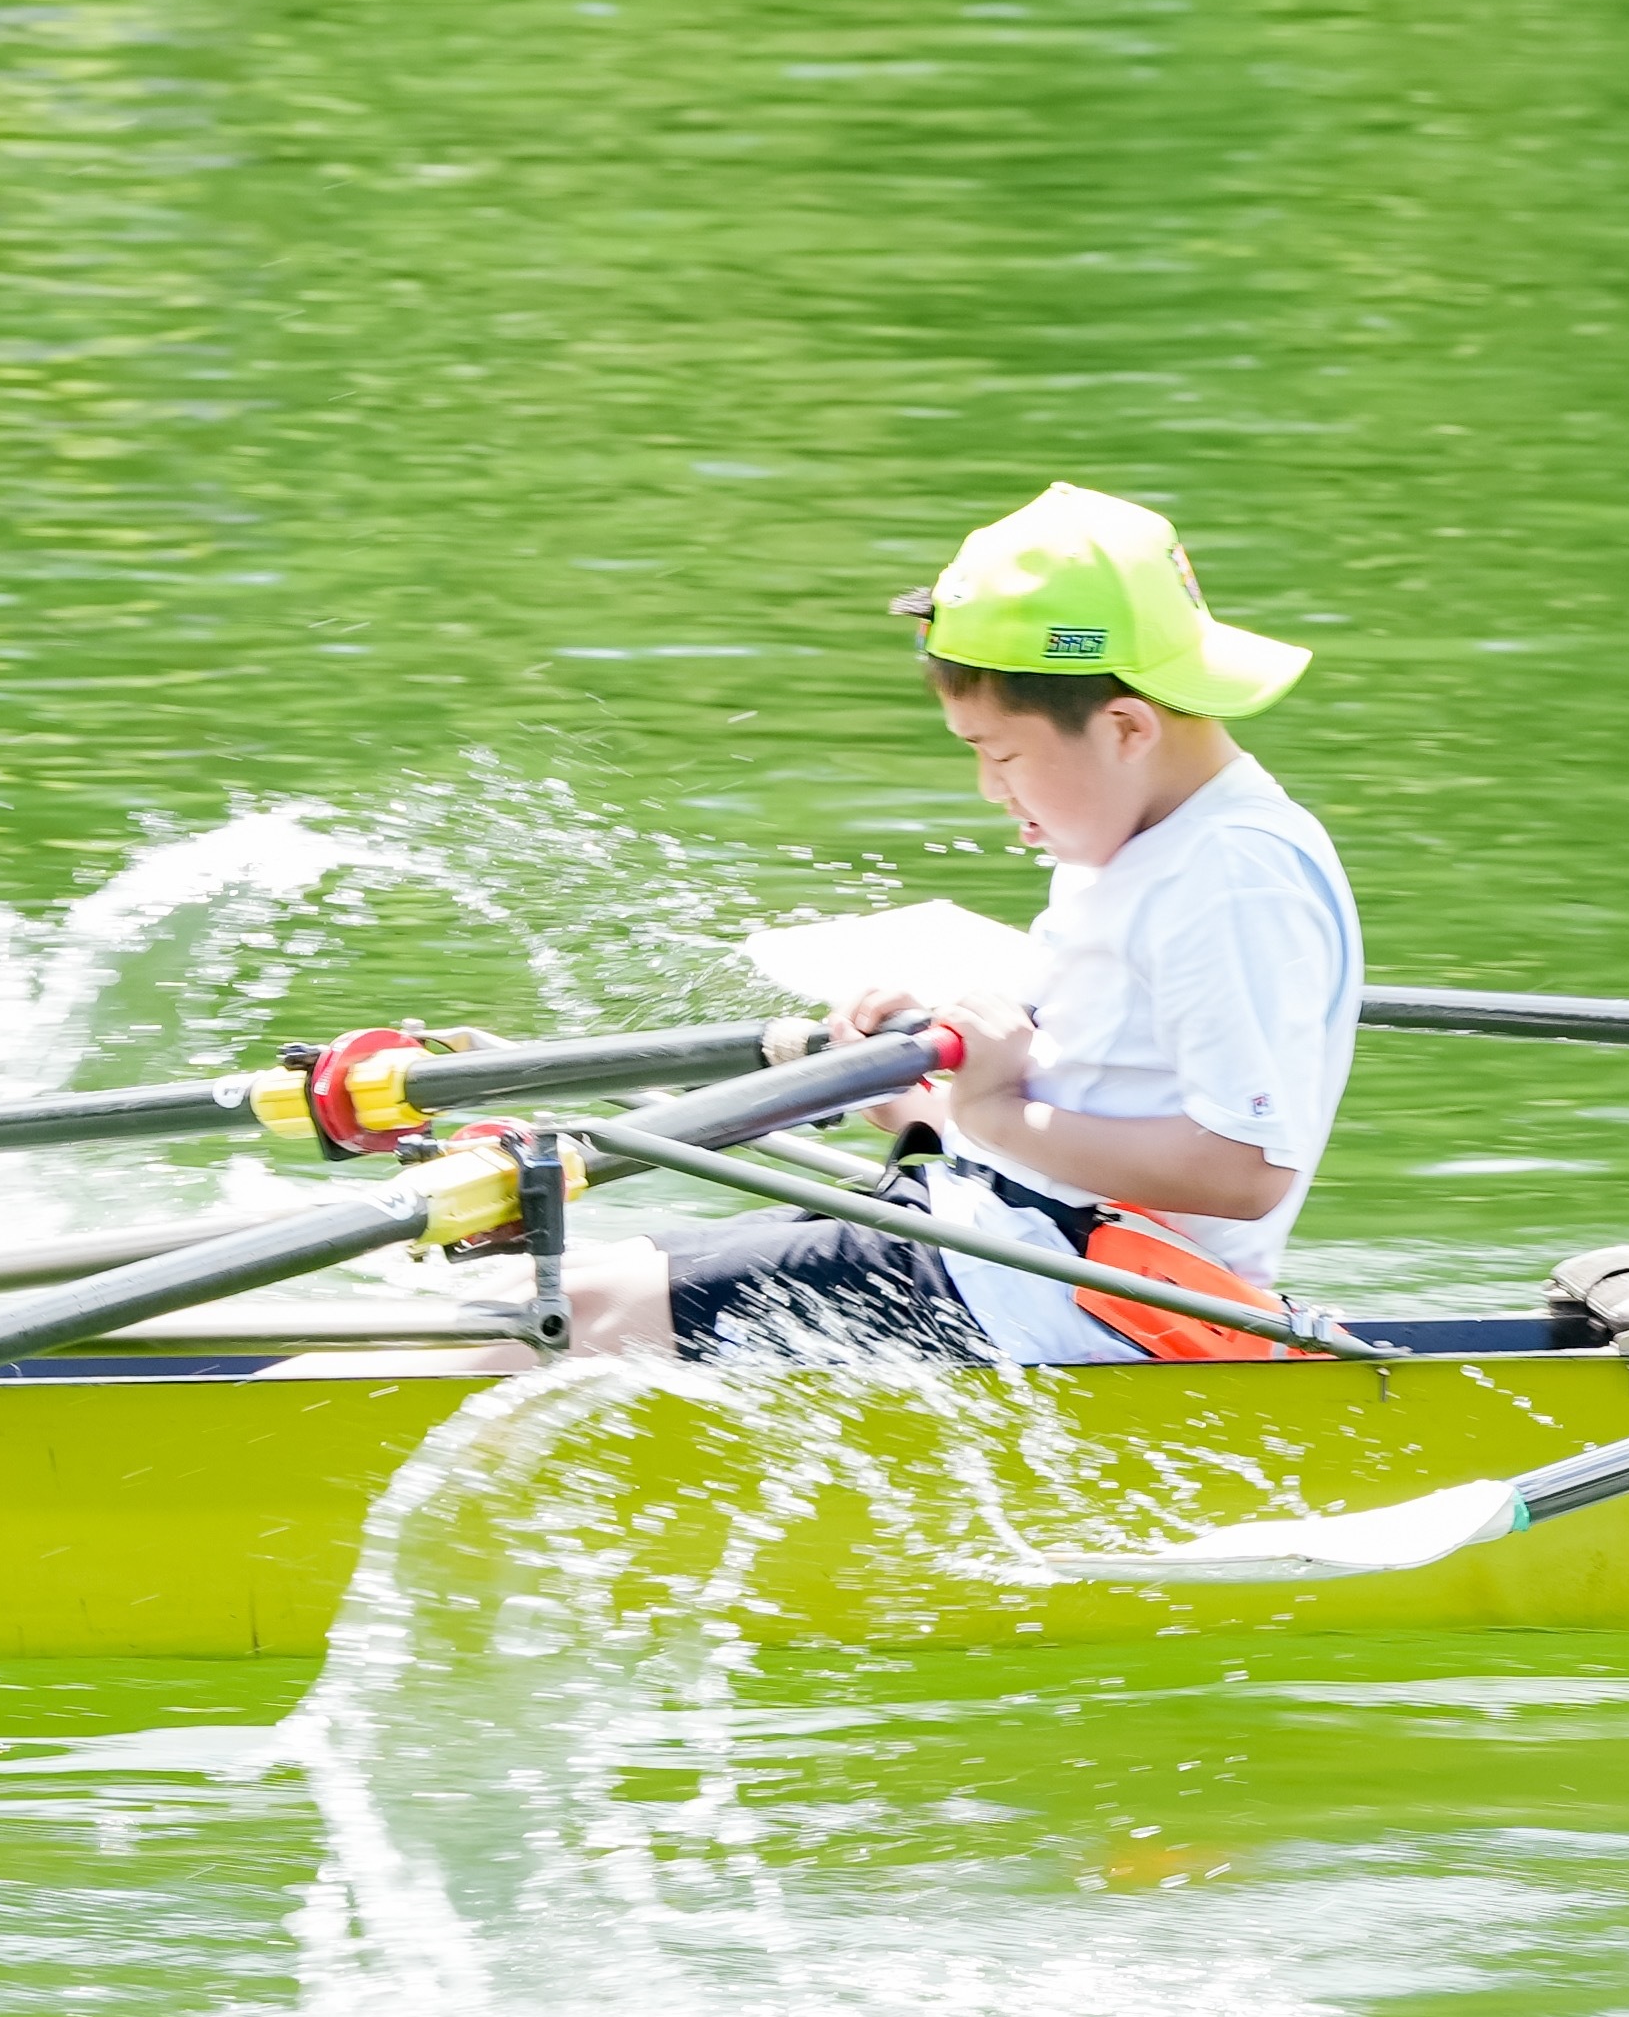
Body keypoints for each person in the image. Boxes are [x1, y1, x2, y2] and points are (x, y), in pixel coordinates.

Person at [565, 481, 1363, 1362]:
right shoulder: (1151, 842)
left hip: (1080, 1296)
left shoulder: (1232, 875)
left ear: (1127, 727)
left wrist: (989, 1111)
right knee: (538, 1292)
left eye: (1002, 752)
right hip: (1003, 1243)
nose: (990, 787)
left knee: (577, 1313)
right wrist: (920, 1093)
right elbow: (1089, 1094)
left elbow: (1243, 1171)